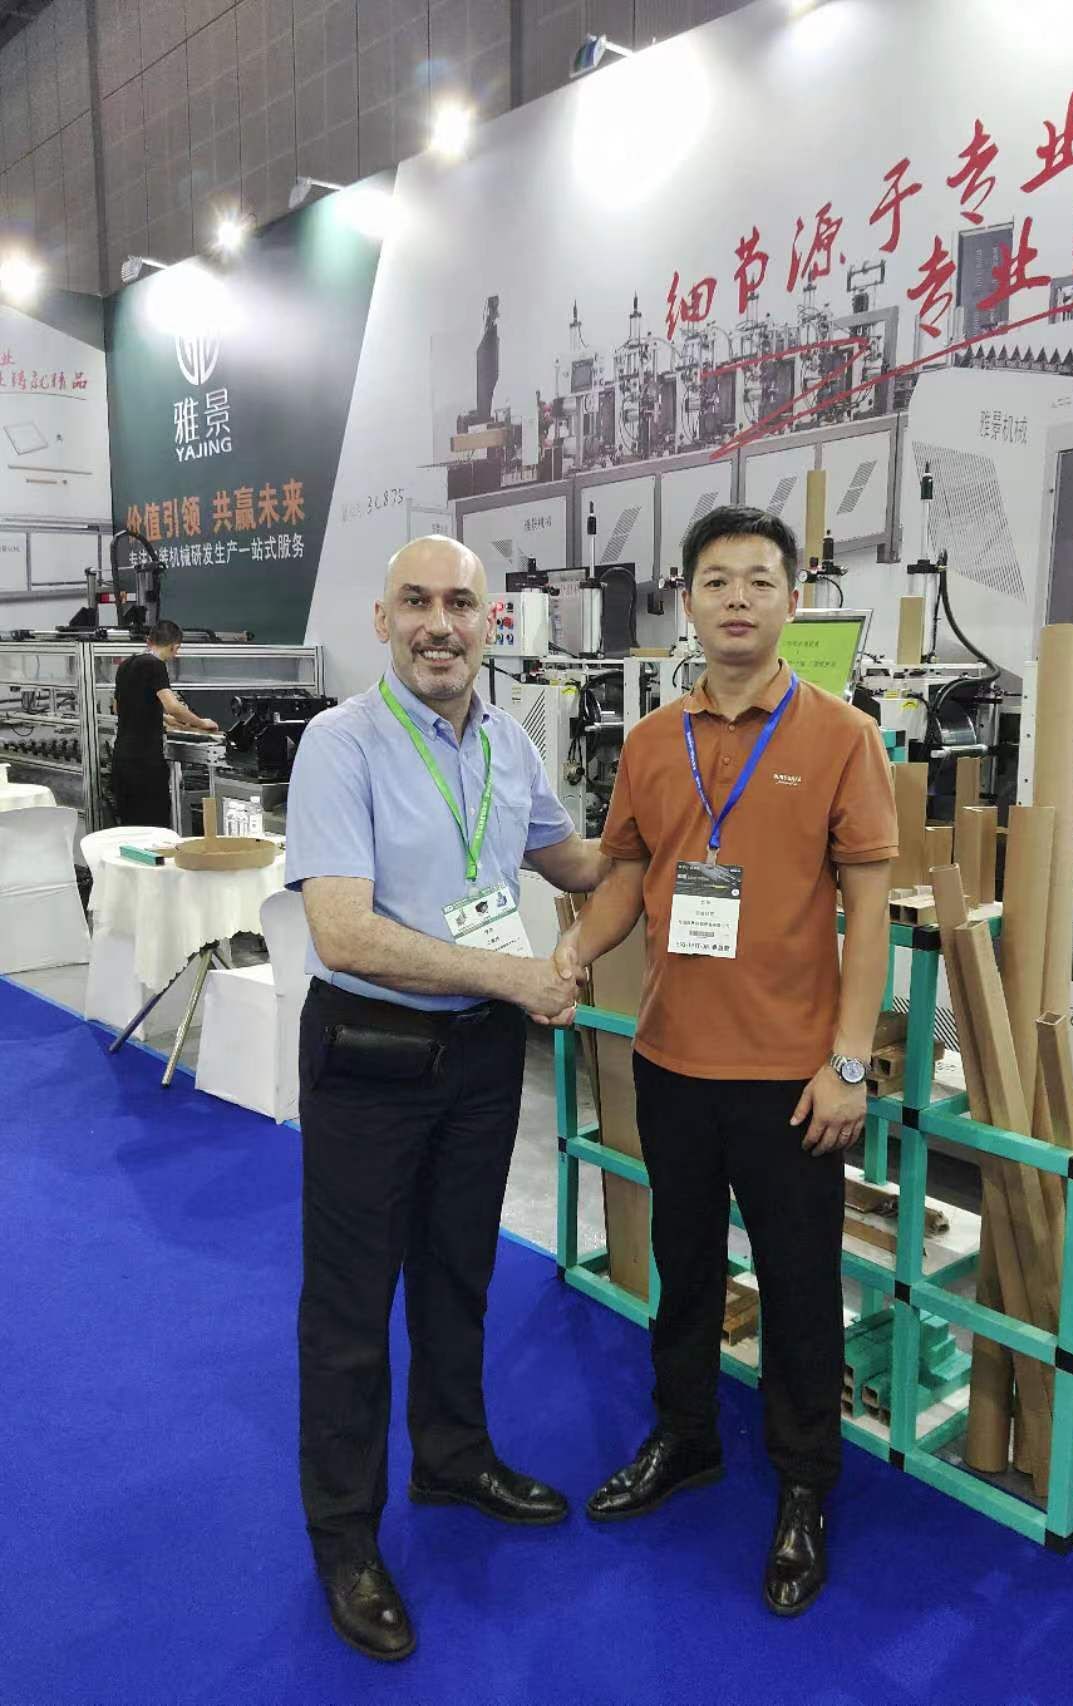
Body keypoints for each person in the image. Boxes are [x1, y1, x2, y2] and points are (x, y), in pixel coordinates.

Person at [556, 505, 897, 1618]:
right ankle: (687, 1436)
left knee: (798, 1286)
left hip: (793, 1078)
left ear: (793, 601)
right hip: (672, 1060)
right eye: (716, 579)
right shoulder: (651, 742)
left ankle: (803, 1483)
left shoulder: (842, 736)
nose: (737, 598)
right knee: (685, 1265)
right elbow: (624, 877)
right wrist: (569, 954)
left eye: (758, 579)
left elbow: (868, 909)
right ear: (686, 601)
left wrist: (850, 1063)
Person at [285, 536, 608, 1663]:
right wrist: (514, 976)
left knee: (457, 1274)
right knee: (348, 1310)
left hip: (478, 1058)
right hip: (371, 1057)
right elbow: (344, 931)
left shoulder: (510, 745)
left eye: (461, 604)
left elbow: (574, 863)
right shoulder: (341, 744)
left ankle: (453, 1456)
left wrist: (695, 828)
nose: (440, 623)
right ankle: (345, 1538)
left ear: (487, 624)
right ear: (383, 621)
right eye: (416, 602)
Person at [110, 619, 218, 827]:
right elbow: (173, 706)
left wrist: (166, 719)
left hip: (122, 760)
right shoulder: (155, 665)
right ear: (174, 647)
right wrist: (201, 723)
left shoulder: (125, 665)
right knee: (154, 827)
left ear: (149, 640)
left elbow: (120, 708)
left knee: (131, 826)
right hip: (145, 763)